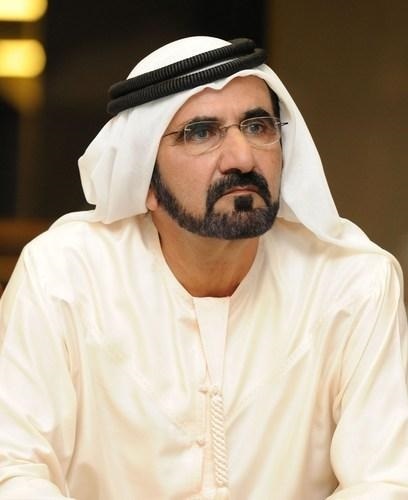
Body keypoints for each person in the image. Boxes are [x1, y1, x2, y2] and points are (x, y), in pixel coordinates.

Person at [0, 36, 407, 500]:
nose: (242, 158)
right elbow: (14, 468)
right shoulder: (64, 276)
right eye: (200, 133)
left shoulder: (352, 282)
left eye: (258, 126)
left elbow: (387, 480)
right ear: (143, 178)